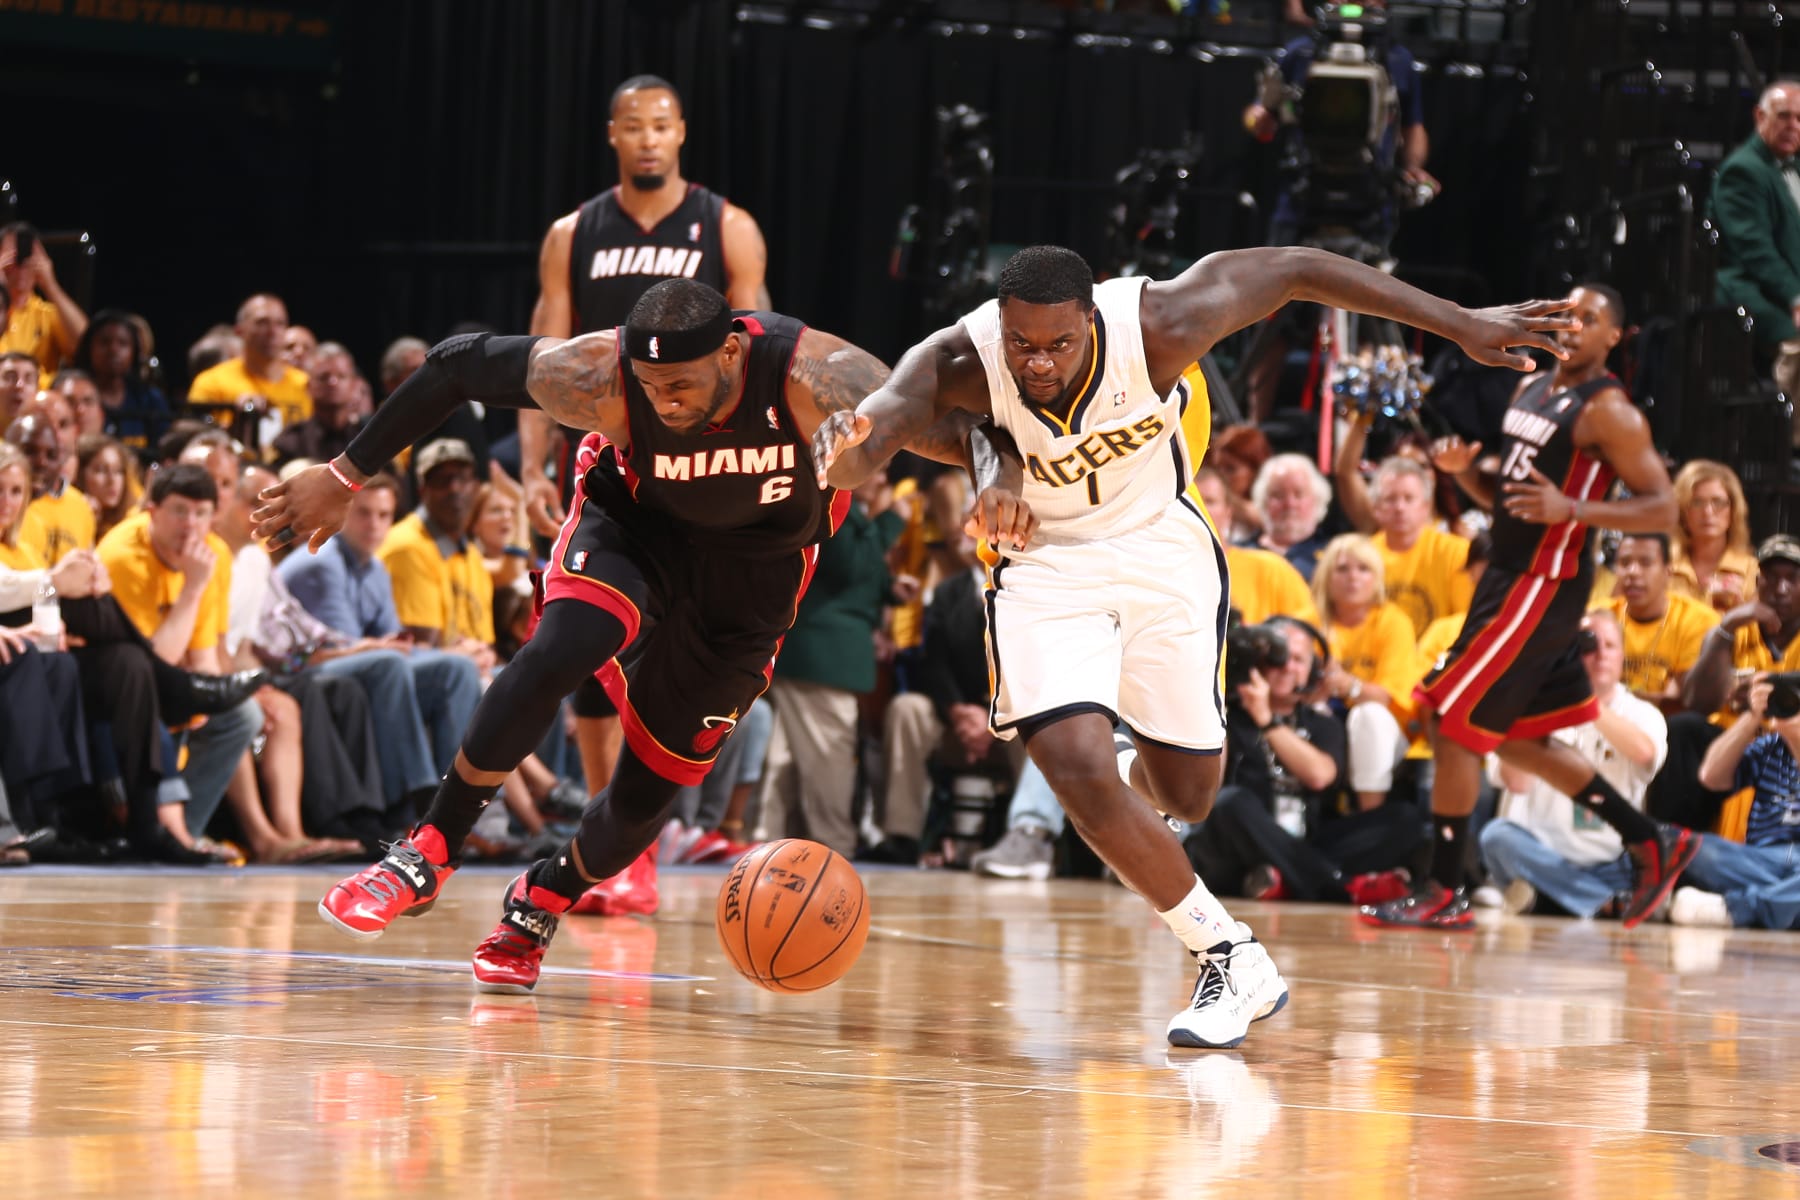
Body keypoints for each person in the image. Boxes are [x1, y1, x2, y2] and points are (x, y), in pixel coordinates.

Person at [813, 241, 1574, 1046]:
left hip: (1158, 547)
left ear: (1090, 320)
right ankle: (1228, 954)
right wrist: (847, 450)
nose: (1037, 364)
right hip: (1045, 563)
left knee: (1188, 796)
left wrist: (1458, 324)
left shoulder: (1161, 321)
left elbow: (1298, 269)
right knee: (1074, 765)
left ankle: (1134, 802)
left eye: (1058, 345)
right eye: (1022, 345)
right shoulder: (963, 355)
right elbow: (887, 422)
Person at [255, 278, 1009, 991]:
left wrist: (995, 481)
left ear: (731, 354)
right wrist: (345, 474)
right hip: (636, 530)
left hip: (754, 581)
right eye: (651, 389)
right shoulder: (602, 377)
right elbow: (455, 367)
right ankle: (428, 849)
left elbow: (949, 420)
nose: (665, 403)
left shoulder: (814, 373)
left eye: (680, 385)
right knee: (564, 645)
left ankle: (543, 898)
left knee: (645, 799)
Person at [516, 73, 774, 909]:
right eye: (635, 126)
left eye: (663, 125)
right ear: (613, 136)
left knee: (675, 644)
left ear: (682, 132)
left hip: (702, 466)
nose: (650, 139)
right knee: (587, 644)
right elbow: (544, 358)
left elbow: (766, 350)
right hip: (605, 460)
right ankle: (617, 848)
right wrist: (527, 467)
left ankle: (637, 828)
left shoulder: (727, 226)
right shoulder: (572, 233)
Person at [1365, 282, 1694, 930]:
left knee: (1452, 719)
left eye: (1590, 319)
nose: (1574, 327)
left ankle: (1442, 887)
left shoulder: (1611, 412)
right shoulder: (1532, 386)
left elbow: (1663, 506)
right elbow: (1510, 497)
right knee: (1521, 740)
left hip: (1544, 583)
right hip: (1507, 575)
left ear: (1613, 338)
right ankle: (1652, 840)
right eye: (1567, 315)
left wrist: (1573, 510)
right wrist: (1465, 474)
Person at [1183, 616, 1414, 906]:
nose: (1287, 667)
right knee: (1230, 803)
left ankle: (1282, 881)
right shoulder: (1228, 714)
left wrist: (1267, 720)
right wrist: (1222, 704)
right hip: (1238, 846)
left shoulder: (1322, 724)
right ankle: (1340, 886)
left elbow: (1320, 775)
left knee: (1405, 819)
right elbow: (1209, 790)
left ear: (1313, 671)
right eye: (1277, 658)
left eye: (1298, 660)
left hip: (1302, 840)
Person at [1477, 609, 1668, 919]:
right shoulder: (1532, 706)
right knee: (1496, 837)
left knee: (1656, 852)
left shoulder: (1642, 713)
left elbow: (1644, 755)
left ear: (1623, 657)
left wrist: (1585, 703)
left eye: (1610, 645)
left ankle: (1551, 901)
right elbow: (1517, 782)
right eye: (1589, 645)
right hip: (1540, 860)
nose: (1601, 654)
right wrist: (1545, 696)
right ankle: (1602, 903)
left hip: (1611, 865)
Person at [1709, 80, 1800, 401]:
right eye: (1784, 116)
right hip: (1748, 286)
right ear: (1760, 116)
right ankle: (1791, 440)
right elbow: (1755, 251)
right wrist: (1795, 297)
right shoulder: (1743, 171)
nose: (1793, 126)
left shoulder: (1792, 166)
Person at [1605, 532, 1718, 709]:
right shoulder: (1599, 616)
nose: (1633, 573)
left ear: (1668, 572)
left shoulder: (1698, 620)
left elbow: (1681, 703)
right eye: (1625, 563)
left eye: (1645, 563)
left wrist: (1608, 695)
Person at [0, 223, 87, 382]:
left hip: (40, 400)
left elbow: (86, 348)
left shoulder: (48, 314)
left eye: (28, 255)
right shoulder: (2, 313)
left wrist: (50, 285)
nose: (21, 265)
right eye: (13, 256)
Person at [1669, 460, 1758, 614]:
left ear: (1733, 510)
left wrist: (1739, 612)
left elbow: (1762, 635)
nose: (1708, 512)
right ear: (1682, 512)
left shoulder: (1753, 571)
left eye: (1718, 502)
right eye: (1696, 502)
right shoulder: (1663, 567)